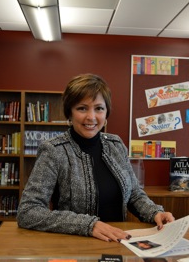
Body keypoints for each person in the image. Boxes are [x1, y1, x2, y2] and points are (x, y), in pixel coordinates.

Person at [17, 73, 175, 242]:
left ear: (106, 113)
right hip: (74, 246)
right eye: (82, 108)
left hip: (119, 243)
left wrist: (154, 212)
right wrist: (88, 225)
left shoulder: (116, 144)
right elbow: (28, 211)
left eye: (99, 108)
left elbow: (134, 194)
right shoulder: (53, 150)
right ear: (69, 113)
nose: (91, 117)